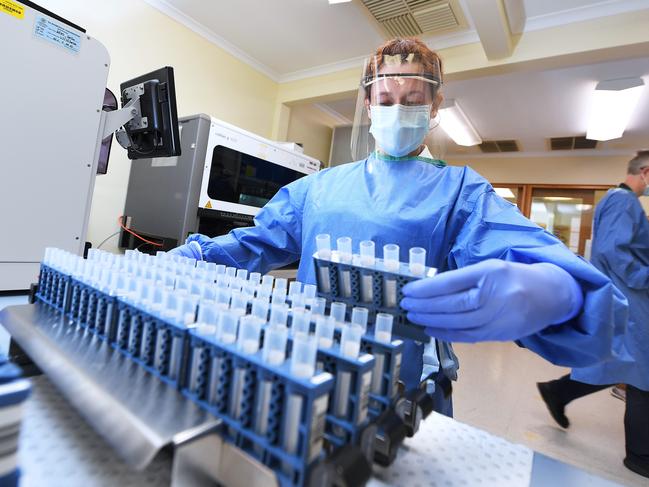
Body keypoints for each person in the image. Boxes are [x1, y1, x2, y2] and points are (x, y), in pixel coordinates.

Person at [171, 38, 626, 418]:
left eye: (412, 102)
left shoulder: (460, 192)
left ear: (434, 106)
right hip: (308, 372)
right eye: (386, 100)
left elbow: (525, 251)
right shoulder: (316, 189)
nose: (397, 110)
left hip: (408, 388)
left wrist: (556, 290)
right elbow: (253, 244)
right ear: (368, 104)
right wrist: (197, 254)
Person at [537, 150, 649, 479]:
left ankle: (557, 391)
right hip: (630, 300)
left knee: (617, 364)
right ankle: (640, 455)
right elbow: (611, 251)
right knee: (642, 376)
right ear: (645, 171)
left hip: (628, 300)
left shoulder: (622, 202)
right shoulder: (623, 201)